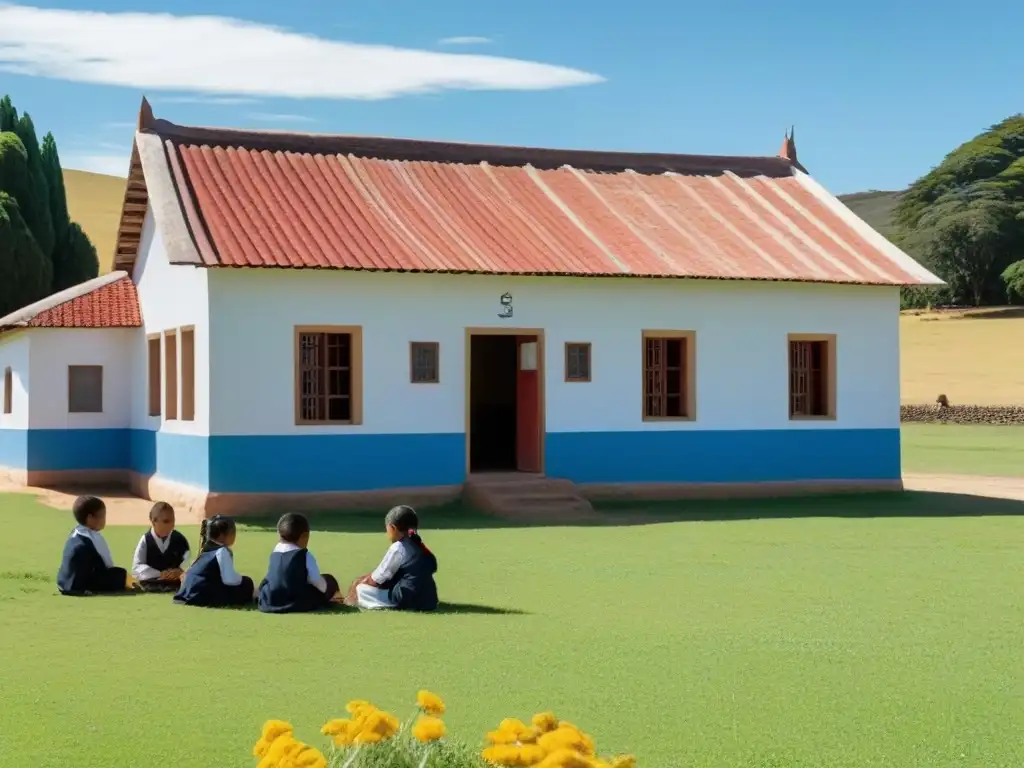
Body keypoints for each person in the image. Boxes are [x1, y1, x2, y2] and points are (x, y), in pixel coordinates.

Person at [345, 505, 438, 612]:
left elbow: (376, 579)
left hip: (406, 599)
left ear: (393, 528)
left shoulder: (398, 547)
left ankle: (349, 604)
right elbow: (432, 566)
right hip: (429, 600)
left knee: (360, 589)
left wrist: (359, 582)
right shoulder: (420, 545)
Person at [257, 512, 340, 613]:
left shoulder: (275, 553)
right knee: (328, 580)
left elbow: (270, 577)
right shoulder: (304, 555)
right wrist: (326, 590)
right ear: (304, 536)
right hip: (296, 602)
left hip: (271, 601)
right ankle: (337, 597)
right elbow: (315, 580)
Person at [173, 515, 254, 607]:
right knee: (247, 583)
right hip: (201, 595)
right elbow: (229, 580)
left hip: (186, 594)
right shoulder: (222, 551)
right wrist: (242, 579)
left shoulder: (205, 550)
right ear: (222, 535)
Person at [57, 495, 129, 596]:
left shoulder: (76, 532)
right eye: (102, 516)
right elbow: (106, 563)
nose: (104, 519)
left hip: (64, 582)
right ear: (90, 518)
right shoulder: (92, 538)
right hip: (79, 584)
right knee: (120, 574)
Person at [131, 501, 191, 593]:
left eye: (173, 520)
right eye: (166, 521)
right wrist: (159, 573)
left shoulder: (180, 539)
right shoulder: (146, 540)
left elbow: (189, 562)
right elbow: (136, 568)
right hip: (152, 581)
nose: (171, 525)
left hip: (176, 582)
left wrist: (180, 571)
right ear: (154, 521)